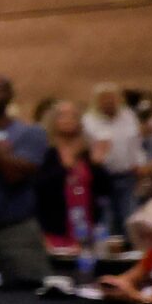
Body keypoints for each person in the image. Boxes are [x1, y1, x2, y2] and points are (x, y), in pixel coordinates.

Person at [0, 76, 50, 287]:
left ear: (9, 96)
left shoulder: (30, 132)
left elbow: (14, 175)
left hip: (15, 230)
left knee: (28, 290)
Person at [35, 99, 99, 258]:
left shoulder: (86, 151)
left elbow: (102, 190)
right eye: (63, 116)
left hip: (86, 226)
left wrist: (98, 165)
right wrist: (65, 167)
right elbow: (40, 188)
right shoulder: (46, 151)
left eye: (73, 116)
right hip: (56, 227)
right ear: (53, 121)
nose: (69, 119)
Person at [84, 84, 143, 239]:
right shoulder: (89, 121)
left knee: (130, 216)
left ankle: (133, 250)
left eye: (112, 98)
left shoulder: (129, 116)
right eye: (104, 98)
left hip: (127, 175)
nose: (109, 101)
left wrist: (140, 164)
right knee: (106, 219)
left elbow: (136, 143)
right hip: (102, 179)